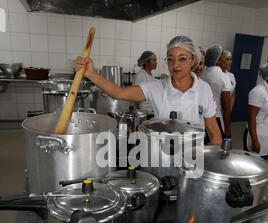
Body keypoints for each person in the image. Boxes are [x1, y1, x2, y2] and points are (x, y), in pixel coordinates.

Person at [75, 36, 222, 145]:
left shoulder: (203, 89)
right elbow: (119, 93)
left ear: (192, 60)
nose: (175, 64)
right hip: (161, 155)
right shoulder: (156, 86)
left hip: (194, 156)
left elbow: (213, 130)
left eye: (182, 59)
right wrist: (91, 75)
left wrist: (214, 160)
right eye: (170, 59)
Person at [202, 45, 232, 138]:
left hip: (201, 118)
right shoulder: (223, 77)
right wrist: (227, 129)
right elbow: (226, 107)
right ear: (218, 60)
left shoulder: (202, 74)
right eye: (225, 57)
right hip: (216, 118)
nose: (229, 62)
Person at [134, 51, 157, 115]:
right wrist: (138, 111)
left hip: (151, 111)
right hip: (143, 111)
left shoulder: (152, 77)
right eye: (154, 60)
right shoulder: (140, 75)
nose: (156, 63)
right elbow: (135, 94)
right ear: (147, 62)